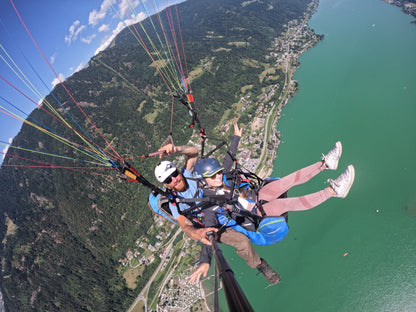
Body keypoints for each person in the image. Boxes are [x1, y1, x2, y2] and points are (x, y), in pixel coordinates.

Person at [190, 140, 355, 282]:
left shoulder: (222, 179)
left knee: (283, 183)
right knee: (285, 204)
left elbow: (228, 159)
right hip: (254, 220)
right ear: (203, 181)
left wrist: (236, 137)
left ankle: (325, 164)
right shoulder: (209, 204)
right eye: (212, 176)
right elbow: (208, 231)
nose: (218, 177)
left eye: (218, 173)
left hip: (255, 200)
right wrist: (205, 260)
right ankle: (333, 191)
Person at [154, 124, 280, 284]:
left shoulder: (188, 174)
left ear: (178, 171)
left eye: (174, 174)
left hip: (219, 203)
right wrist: (199, 237)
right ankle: (260, 265)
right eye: (168, 180)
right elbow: (185, 226)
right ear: (166, 185)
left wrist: (176, 149)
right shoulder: (174, 202)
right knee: (243, 242)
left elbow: (193, 152)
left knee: (237, 185)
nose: (174, 179)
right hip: (208, 221)